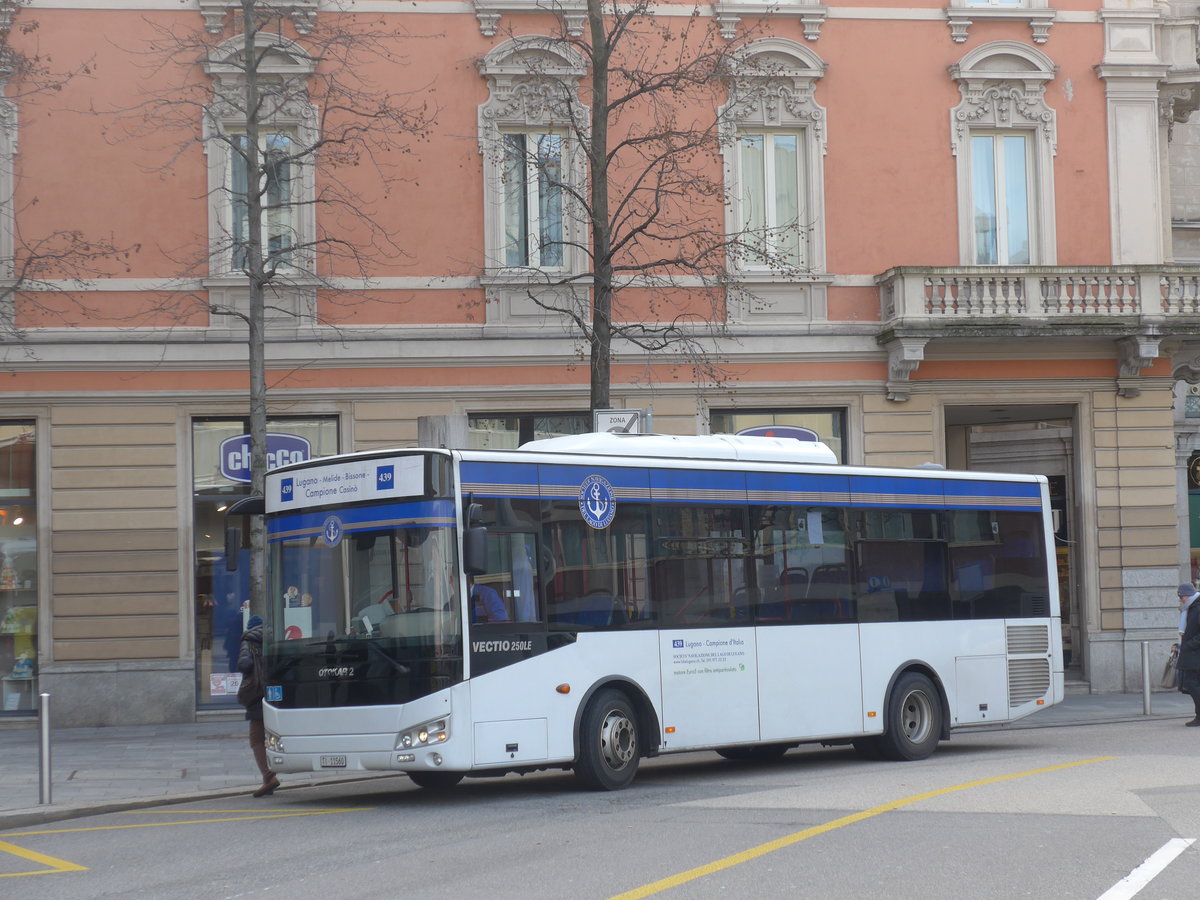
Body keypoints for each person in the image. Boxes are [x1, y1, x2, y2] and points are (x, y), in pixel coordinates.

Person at [237, 615, 280, 796]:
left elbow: (244, 663)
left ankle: (269, 777)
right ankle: (269, 778)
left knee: (256, 739)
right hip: (275, 692)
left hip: (257, 692)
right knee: (273, 735)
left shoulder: (248, 640)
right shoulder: (274, 637)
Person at [1175, 584, 1200, 727]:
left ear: (1188, 595)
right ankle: (1199, 716)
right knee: (1192, 684)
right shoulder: (1191, 608)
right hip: (1192, 655)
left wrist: (1189, 645)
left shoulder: (1197, 608)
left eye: (1181, 596)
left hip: (1195, 655)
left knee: (1192, 684)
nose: (1180, 600)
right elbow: (1187, 632)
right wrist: (1180, 645)